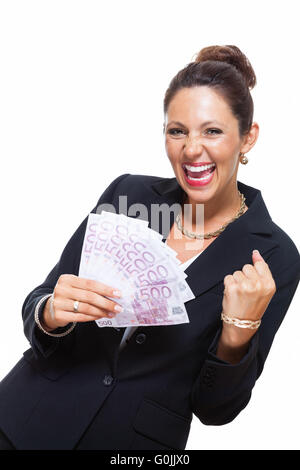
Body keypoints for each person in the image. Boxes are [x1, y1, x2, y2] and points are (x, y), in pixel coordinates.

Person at [0, 45, 299, 451]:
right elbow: (41, 302)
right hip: (22, 417)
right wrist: (51, 312)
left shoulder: (275, 256)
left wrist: (237, 333)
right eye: (177, 131)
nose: (191, 149)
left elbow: (215, 410)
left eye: (212, 131)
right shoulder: (129, 194)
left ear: (248, 138)